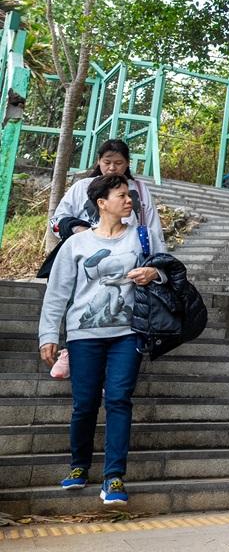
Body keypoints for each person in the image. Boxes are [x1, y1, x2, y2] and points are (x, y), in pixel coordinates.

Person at [38, 174, 168, 507]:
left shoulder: (143, 236)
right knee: (84, 403)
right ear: (101, 203)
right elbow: (57, 293)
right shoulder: (76, 244)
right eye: (121, 195)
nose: (129, 201)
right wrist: (48, 334)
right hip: (83, 335)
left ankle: (114, 477)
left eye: (130, 195)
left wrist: (154, 273)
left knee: (119, 399)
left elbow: (168, 269)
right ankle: (79, 465)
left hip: (128, 332)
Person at [48, 139, 166, 252]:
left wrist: (158, 259)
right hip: (84, 251)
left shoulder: (140, 190)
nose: (112, 168)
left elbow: (154, 229)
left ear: (127, 163)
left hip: (130, 254)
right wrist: (79, 230)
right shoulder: (82, 187)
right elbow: (57, 220)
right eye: (107, 162)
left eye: (118, 163)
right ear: (99, 161)